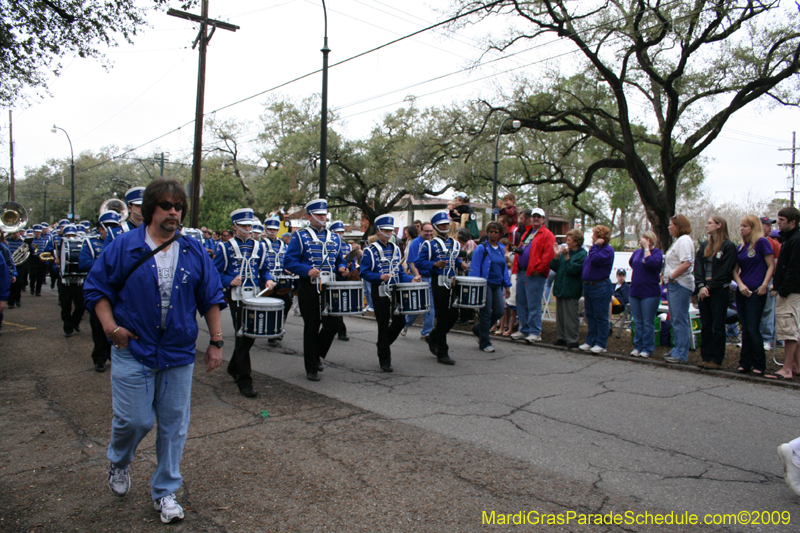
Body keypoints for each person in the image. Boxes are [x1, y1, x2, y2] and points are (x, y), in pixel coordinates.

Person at [83, 179, 226, 524]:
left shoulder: (193, 250)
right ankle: (119, 461)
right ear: (150, 209)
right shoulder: (124, 246)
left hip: (178, 353)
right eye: (165, 205)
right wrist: (110, 328)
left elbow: (211, 297)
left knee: (174, 425)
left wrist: (216, 342)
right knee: (135, 420)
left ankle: (165, 491)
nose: (173, 212)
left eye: (178, 206)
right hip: (134, 349)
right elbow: (97, 289)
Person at [214, 208, 275, 396]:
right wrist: (228, 281)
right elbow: (214, 273)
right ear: (235, 227)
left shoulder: (260, 246)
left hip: (255, 295)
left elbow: (264, 268)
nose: (248, 229)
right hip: (236, 297)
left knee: (250, 334)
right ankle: (244, 379)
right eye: (244, 226)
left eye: (250, 225)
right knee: (243, 334)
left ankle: (234, 367)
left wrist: (268, 278)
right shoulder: (224, 247)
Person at [283, 199, 346, 381]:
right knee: (311, 326)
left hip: (329, 286)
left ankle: (316, 353)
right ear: (309, 216)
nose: (322, 218)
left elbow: (339, 259)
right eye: (318, 215)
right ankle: (311, 367)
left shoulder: (334, 237)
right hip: (309, 286)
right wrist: (306, 270)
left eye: (324, 215)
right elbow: (289, 261)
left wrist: (342, 267)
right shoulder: (300, 236)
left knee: (333, 324)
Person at [360, 215, 420, 371]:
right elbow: (364, 272)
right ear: (378, 231)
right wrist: (378, 276)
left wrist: (410, 280)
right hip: (379, 291)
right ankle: (385, 359)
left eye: (390, 230)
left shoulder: (395, 248)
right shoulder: (370, 250)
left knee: (400, 321)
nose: (389, 233)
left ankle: (382, 344)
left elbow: (399, 272)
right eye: (386, 230)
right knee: (383, 323)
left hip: (394, 290)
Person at [416, 210, 465, 365]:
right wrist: (434, 264)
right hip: (438, 281)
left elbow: (453, 259)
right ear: (436, 226)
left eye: (446, 223)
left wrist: (460, 263)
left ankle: (433, 336)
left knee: (454, 315)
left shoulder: (454, 243)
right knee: (443, 316)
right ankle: (442, 352)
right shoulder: (429, 245)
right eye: (441, 224)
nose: (445, 226)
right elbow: (419, 262)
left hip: (453, 281)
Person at [730, 215, 775, 375]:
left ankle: (759, 364)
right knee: (745, 328)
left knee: (753, 327)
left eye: (746, 226)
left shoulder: (762, 243)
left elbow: (771, 265)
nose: (742, 229)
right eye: (741, 226)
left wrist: (765, 285)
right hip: (743, 290)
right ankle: (745, 362)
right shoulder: (740, 247)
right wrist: (740, 285)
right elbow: (734, 270)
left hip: (757, 290)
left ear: (753, 227)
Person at [694, 216, 737, 370]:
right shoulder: (705, 245)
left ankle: (716, 358)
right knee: (706, 324)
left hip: (719, 291)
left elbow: (725, 271)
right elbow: (698, 265)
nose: (706, 225)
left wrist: (709, 286)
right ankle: (705, 356)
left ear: (719, 226)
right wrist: (700, 285)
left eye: (709, 223)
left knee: (717, 325)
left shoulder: (729, 246)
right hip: (703, 291)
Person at [511, 207, 555, 343]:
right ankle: (524, 329)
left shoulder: (547, 235)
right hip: (523, 271)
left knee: (533, 303)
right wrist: (516, 269)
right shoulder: (529, 232)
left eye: (539, 216)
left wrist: (539, 269)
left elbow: (548, 255)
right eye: (534, 216)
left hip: (534, 274)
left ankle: (535, 331)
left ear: (543, 219)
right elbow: (522, 250)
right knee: (521, 302)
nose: (536, 218)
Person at [80, 213, 117, 371]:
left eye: (113, 226)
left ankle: (113, 355)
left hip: (115, 289)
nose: (110, 229)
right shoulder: (90, 242)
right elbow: (83, 263)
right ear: (100, 227)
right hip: (98, 287)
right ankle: (99, 358)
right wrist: (106, 262)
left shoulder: (120, 239)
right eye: (106, 226)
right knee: (97, 325)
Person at [766, 206, 800, 380]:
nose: (778, 222)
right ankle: (796, 366)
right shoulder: (789, 239)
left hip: (791, 292)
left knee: (788, 330)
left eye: (782, 220)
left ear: (793, 222)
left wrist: (784, 290)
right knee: (792, 329)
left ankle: (787, 369)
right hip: (788, 290)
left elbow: (794, 269)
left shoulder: (795, 240)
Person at [469, 221, 511, 353]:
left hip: (497, 284)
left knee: (499, 311)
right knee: (486, 313)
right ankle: (485, 342)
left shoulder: (500, 248)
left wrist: (507, 285)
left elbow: (503, 268)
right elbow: (474, 267)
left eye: (496, 232)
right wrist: (476, 285)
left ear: (499, 234)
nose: (493, 234)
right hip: (485, 284)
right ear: (487, 233)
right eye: (491, 231)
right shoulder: (481, 248)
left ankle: (479, 329)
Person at [662, 215, 696, 364]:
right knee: (675, 318)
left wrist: (672, 277)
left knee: (679, 319)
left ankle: (681, 353)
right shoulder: (679, 241)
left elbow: (686, 262)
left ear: (678, 226)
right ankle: (677, 349)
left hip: (680, 285)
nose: (669, 227)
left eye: (671, 225)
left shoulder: (684, 241)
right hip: (675, 284)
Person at [579, 225, 615, 353]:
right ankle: (590, 340)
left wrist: (594, 247)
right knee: (590, 315)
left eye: (594, 235)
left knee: (600, 316)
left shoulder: (607, 250)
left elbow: (595, 260)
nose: (592, 237)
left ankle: (601, 343)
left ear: (600, 238)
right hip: (589, 285)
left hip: (600, 286)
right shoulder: (594, 250)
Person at [550, 228, 587, 348]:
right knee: (560, 316)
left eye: (569, 240)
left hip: (571, 289)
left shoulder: (582, 254)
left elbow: (574, 270)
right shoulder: (565, 252)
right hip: (561, 287)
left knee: (571, 316)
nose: (567, 242)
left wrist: (566, 256)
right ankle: (561, 337)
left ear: (576, 242)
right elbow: (555, 267)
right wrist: (556, 256)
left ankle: (572, 339)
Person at [628, 231, 663, 358]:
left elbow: (652, 264)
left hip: (650, 293)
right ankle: (638, 346)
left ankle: (647, 348)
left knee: (648, 321)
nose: (642, 240)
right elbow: (632, 263)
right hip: (635, 291)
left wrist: (647, 250)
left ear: (650, 240)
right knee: (637, 321)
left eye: (645, 239)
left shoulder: (657, 253)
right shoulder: (637, 252)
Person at [262, 216, 293, 344]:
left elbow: (286, 260)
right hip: (266, 280)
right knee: (269, 306)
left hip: (281, 280)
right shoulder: (261, 244)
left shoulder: (282, 244)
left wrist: (288, 268)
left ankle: (278, 327)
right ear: (266, 229)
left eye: (275, 229)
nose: (273, 231)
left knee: (286, 303)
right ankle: (271, 332)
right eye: (270, 229)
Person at [403, 222, 435, 339]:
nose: (429, 233)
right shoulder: (416, 243)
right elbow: (412, 263)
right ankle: (406, 323)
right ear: (421, 231)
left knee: (430, 305)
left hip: (431, 278)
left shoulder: (433, 243)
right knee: (416, 306)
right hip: (420, 277)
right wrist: (417, 277)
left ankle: (427, 332)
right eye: (426, 231)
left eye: (431, 231)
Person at [56, 225, 86, 337]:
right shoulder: (60, 245)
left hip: (78, 280)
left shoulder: (82, 245)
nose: (70, 237)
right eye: (68, 235)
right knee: (65, 306)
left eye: (72, 235)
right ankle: (68, 327)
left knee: (82, 304)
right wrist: (57, 264)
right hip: (64, 280)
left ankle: (75, 322)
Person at [760, 216, 781, 351]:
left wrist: (775, 283)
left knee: (768, 310)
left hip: (769, 280)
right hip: (753, 280)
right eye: (766, 225)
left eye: (770, 225)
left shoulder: (773, 243)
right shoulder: (751, 242)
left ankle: (767, 339)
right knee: (754, 311)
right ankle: (750, 338)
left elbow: (776, 263)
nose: (769, 227)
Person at [330, 220, 352, 342]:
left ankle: (341, 331)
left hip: (341, 278)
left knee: (338, 304)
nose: (340, 234)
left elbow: (351, 264)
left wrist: (347, 268)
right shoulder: (329, 243)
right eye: (337, 232)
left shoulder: (347, 246)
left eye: (341, 232)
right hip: (329, 276)